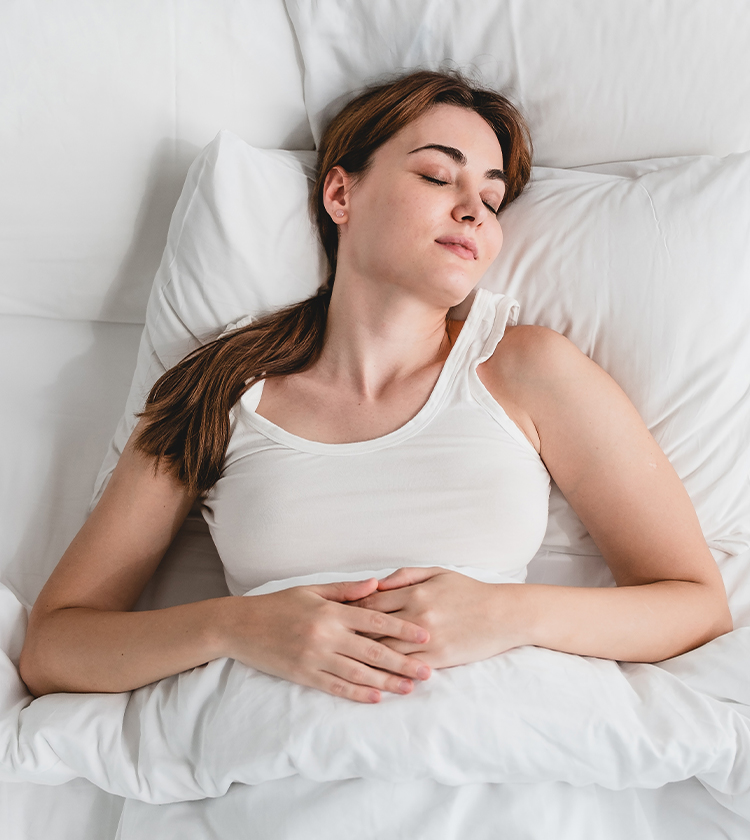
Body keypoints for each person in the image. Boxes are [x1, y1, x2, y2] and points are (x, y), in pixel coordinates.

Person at [19, 70, 732, 704]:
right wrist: (234, 626)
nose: (474, 210)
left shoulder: (526, 369)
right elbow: (56, 647)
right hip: (272, 766)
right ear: (341, 192)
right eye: (438, 176)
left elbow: (696, 606)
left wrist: (510, 613)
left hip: (493, 755)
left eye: (492, 198)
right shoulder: (220, 391)